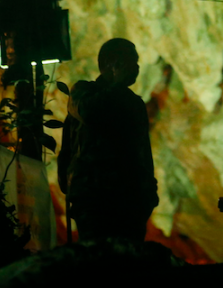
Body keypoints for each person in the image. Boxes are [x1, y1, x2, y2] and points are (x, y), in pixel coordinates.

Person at [58, 39, 159, 242]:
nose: (137, 67)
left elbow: (143, 152)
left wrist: (149, 192)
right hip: (94, 202)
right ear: (111, 63)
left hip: (130, 203)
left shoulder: (134, 104)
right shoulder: (83, 92)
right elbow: (91, 112)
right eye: (131, 61)